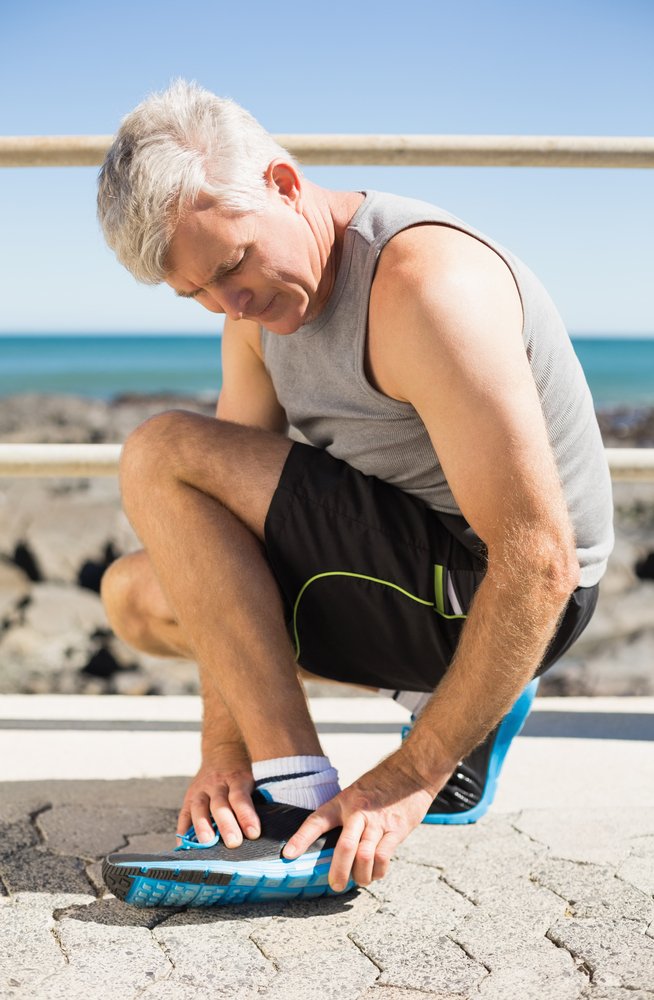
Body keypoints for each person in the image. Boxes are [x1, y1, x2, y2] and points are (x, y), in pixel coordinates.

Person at [97, 80, 613, 908]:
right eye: (195, 293)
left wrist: (407, 776)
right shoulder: (252, 315)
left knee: (160, 449)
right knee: (137, 594)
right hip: (418, 578)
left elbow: (540, 558)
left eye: (232, 265)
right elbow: (217, 532)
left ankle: (297, 807)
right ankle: (457, 708)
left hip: (509, 589)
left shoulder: (422, 287)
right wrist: (221, 753)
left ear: (285, 184)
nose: (230, 304)